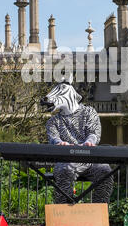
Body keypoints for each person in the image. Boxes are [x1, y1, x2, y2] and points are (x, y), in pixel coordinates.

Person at [41, 76, 114, 204]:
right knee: (64, 171)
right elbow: (53, 138)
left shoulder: (89, 112)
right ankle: (64, 213)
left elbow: (94, 133)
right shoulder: (52, 122)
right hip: (66, 161)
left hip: (89, 160)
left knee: (105, 172)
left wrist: (89, 141)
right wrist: (58, 143)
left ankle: (98, 213)